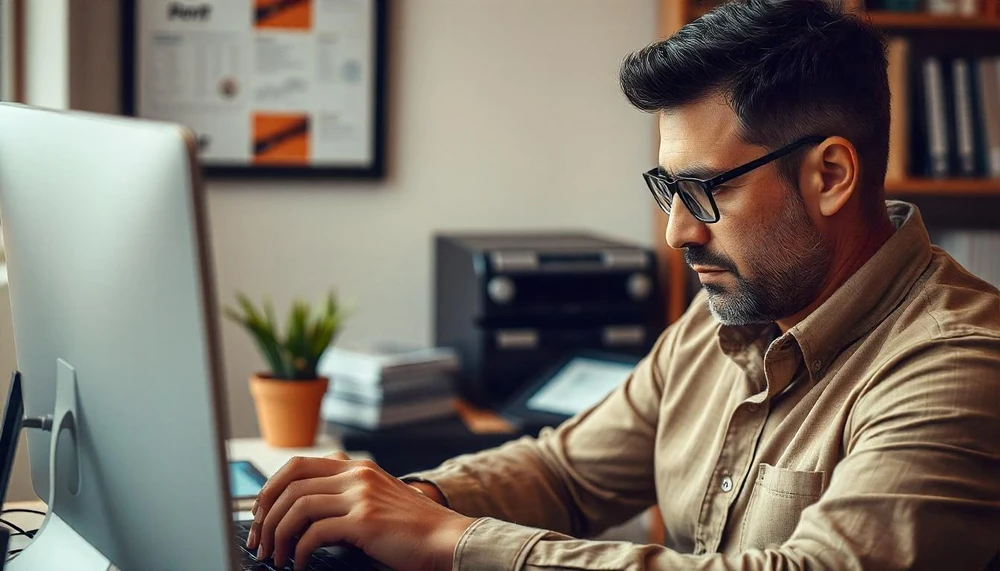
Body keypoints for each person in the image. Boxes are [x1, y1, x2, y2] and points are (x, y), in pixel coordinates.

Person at [245, 0, 1000, 569]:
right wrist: (404, 501)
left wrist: (452, 541)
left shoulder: (961, 365)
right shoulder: (725, 319)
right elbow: (563, 470)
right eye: (664, 189)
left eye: (705, 192)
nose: (677, 231)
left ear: (830, 174)